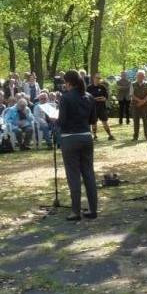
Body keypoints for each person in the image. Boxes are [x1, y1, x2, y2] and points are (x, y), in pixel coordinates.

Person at [57, 70, 98, 222]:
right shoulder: (89, 97)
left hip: (70, 138)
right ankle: (93, 209)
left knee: (73, 175)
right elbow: (93, 120)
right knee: (89, 173)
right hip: (86, 137)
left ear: (68, 82)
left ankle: (76, 211)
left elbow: (61, 121)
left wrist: (53, 119)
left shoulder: (65, 97)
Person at [86, 73, 114, 141]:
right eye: (96, 78)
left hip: (102, 107)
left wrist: (103, 98)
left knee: (105, 122)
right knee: (94, 122)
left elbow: (106, 97)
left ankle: (110, 135)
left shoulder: (102, 87)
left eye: (99, 78)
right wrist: (94, 99)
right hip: (93, 108)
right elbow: (87, 98)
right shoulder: (89, 88)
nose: (98, 80)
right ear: (93, 78)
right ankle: (95, 136)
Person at [130, 70, 147, 141]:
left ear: (144, 76)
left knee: (146, 121)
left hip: (145, 105)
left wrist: (143, 102)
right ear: (137, 76)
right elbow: (132, 95)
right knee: (136, 121)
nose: (141, 77)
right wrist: (140, 101)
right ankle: (135, 136)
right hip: (135, 105)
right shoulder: (132, 84)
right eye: (139, 75)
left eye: (142, 76)